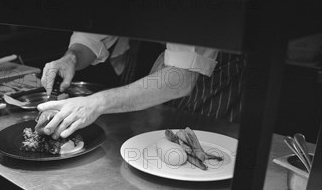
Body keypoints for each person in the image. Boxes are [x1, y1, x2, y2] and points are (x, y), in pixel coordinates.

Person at [37, 32, 245, 139]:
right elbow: (93, 34)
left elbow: (179, 78)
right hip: (152, 54)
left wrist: (95, 103)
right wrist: (72, 57)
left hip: (212, 76)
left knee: (203, 154)